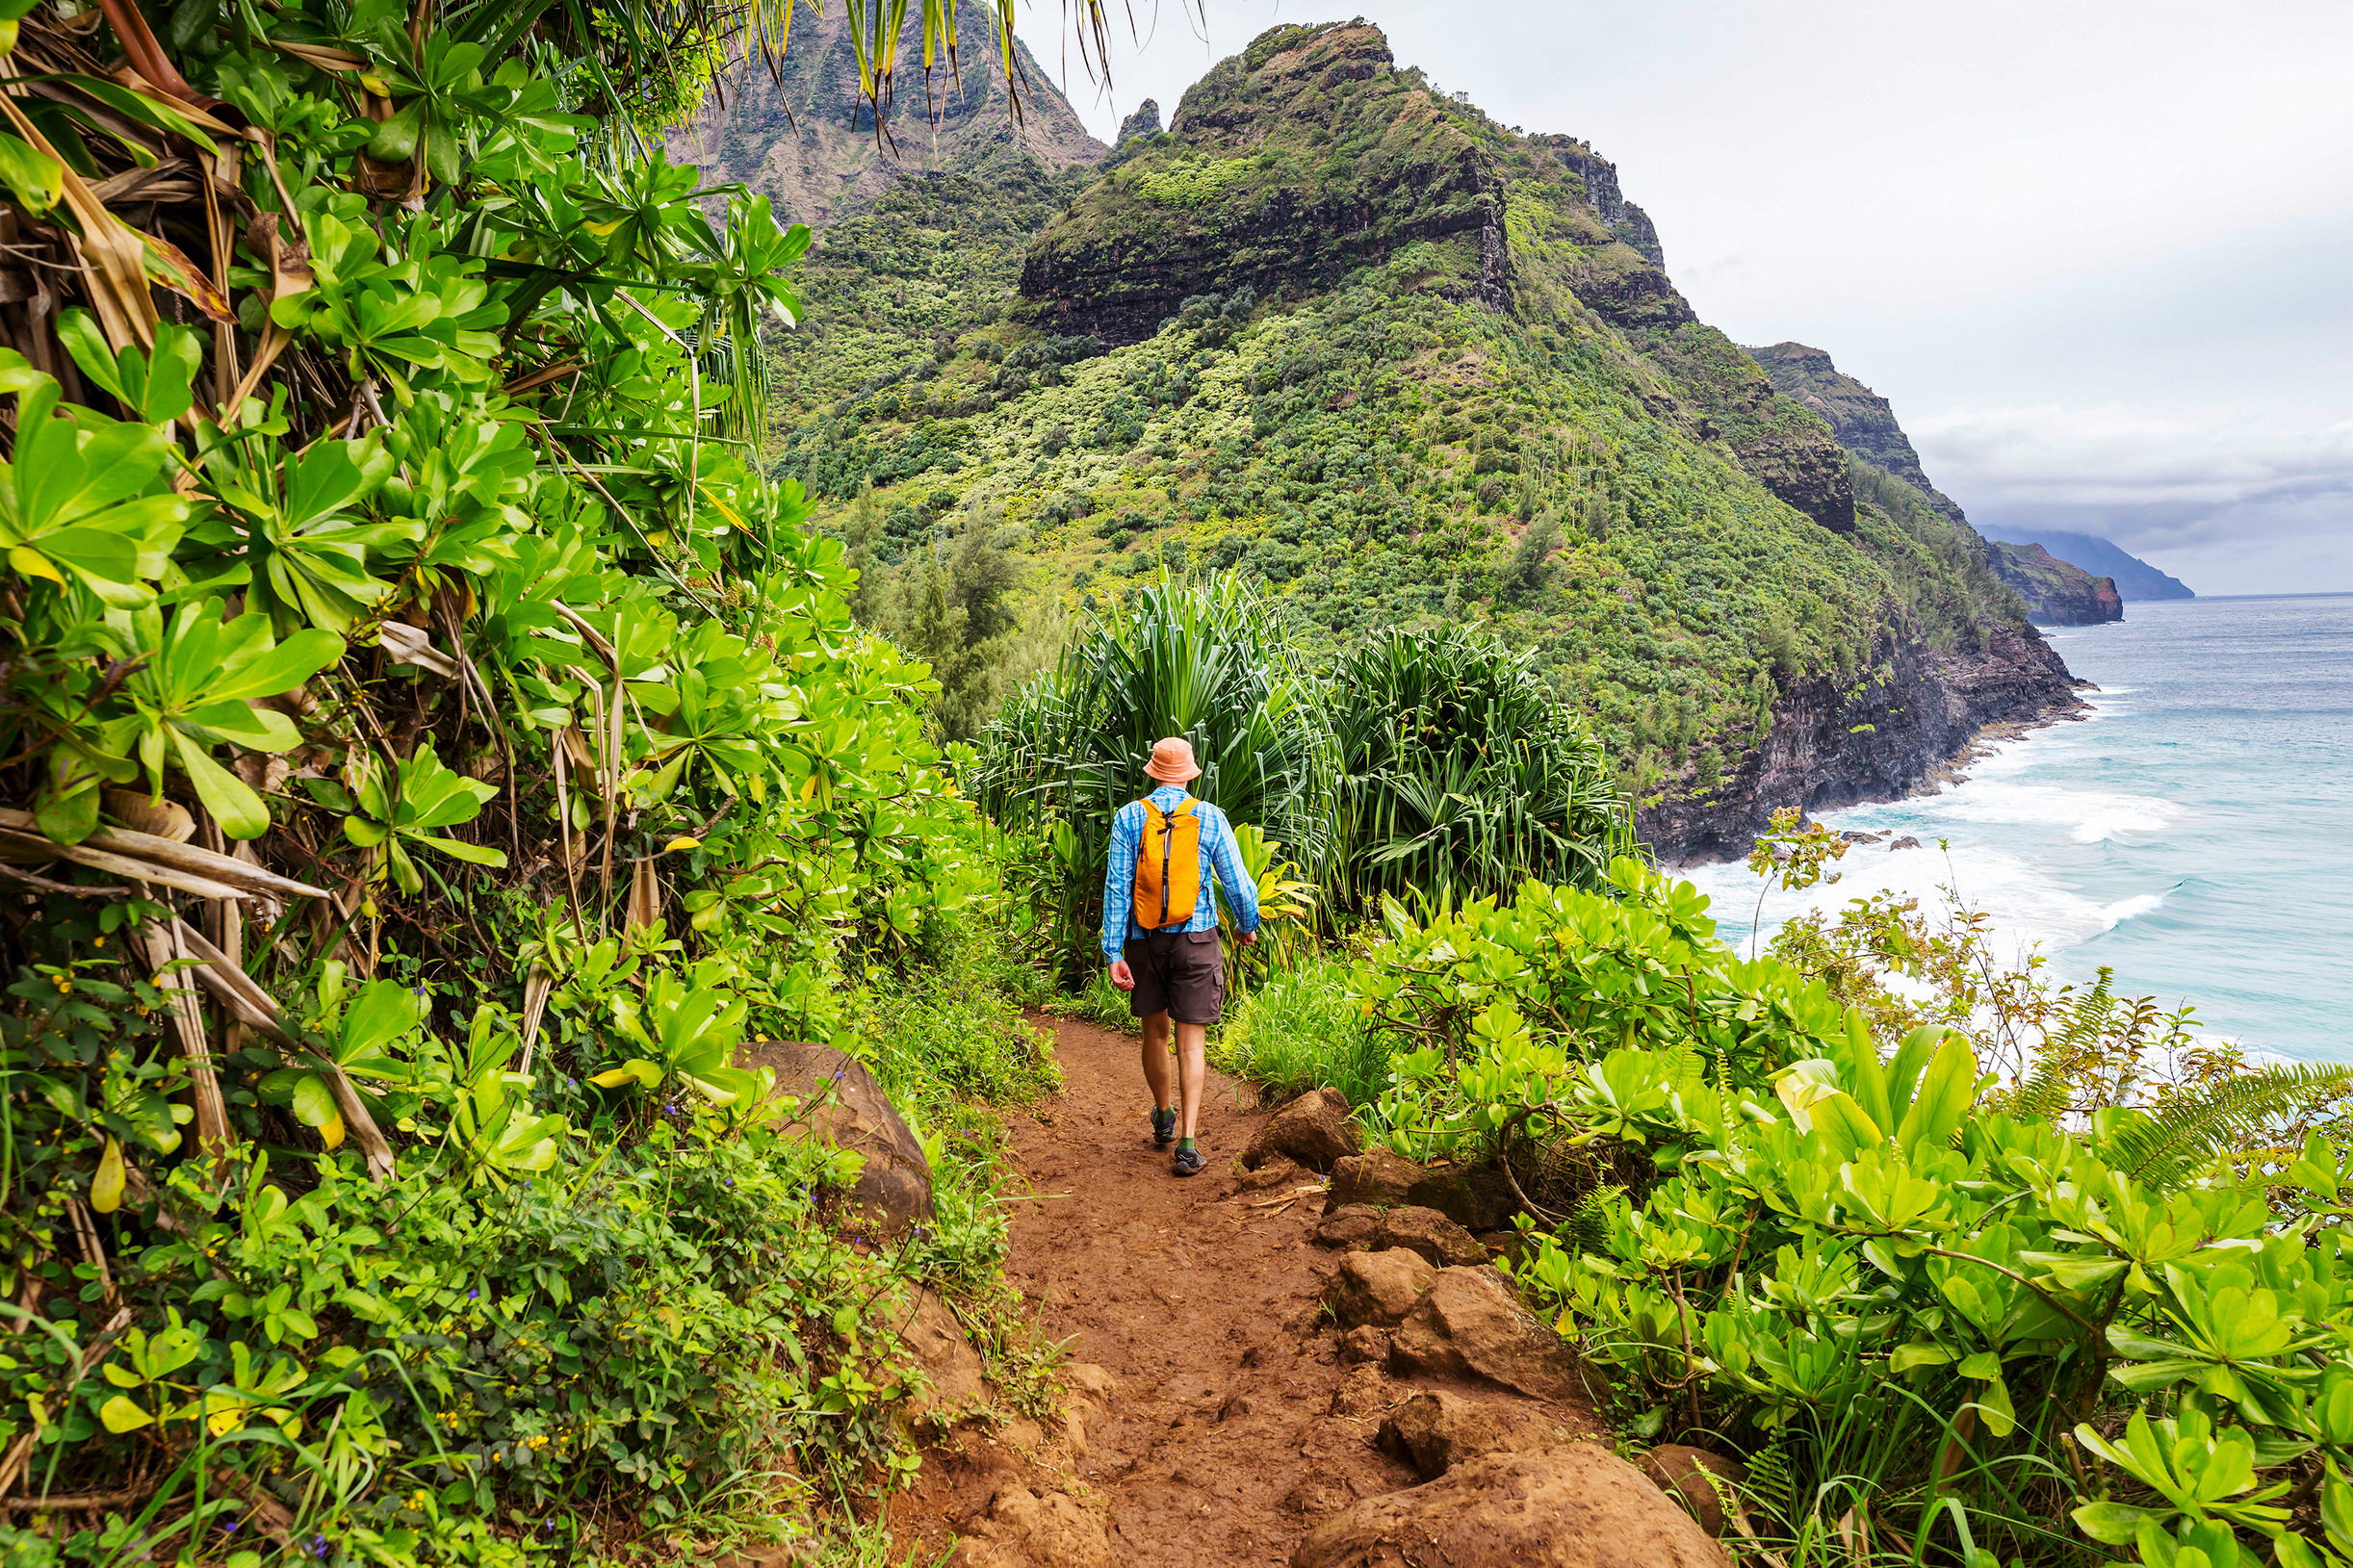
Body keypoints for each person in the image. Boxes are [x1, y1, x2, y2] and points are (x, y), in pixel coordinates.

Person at [1102, 736, 1261, 1176]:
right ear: (1191, 775)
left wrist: (1113, 950)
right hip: (1196, 940)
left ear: (1152, 772)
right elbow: (1238, 883)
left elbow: (1117, 888)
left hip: (1143, 940)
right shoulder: (1209, 817)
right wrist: (1247, 924)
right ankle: (1188, 1144)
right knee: (1191, 1043)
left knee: (1155, 1032)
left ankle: (1164, 1114)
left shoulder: (1129, 817)